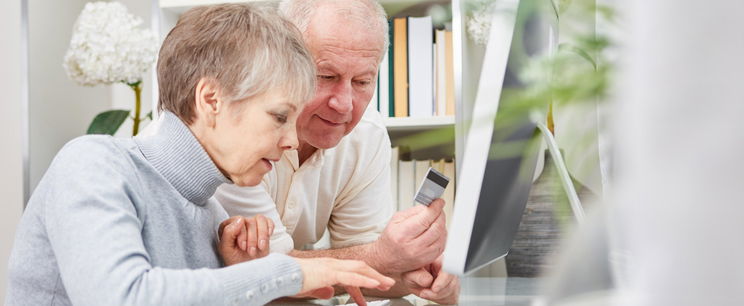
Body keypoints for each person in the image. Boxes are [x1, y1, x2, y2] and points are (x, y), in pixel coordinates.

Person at [5, 3, 394, 306]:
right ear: (211, 100)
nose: (293, 141)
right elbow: (122, 298)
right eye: (279, 117)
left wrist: (245, 274)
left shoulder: (214, 216)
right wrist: (287, 271)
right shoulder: (93, 163)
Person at [215, 0, 459, 303]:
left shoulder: (366, 134)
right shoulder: (236, 129)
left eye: (362, 81)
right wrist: (384, 256)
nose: (344, 105)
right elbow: (268, 271)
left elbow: (369, 271)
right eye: (326, 77)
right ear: (280, 60)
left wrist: (418, 276)